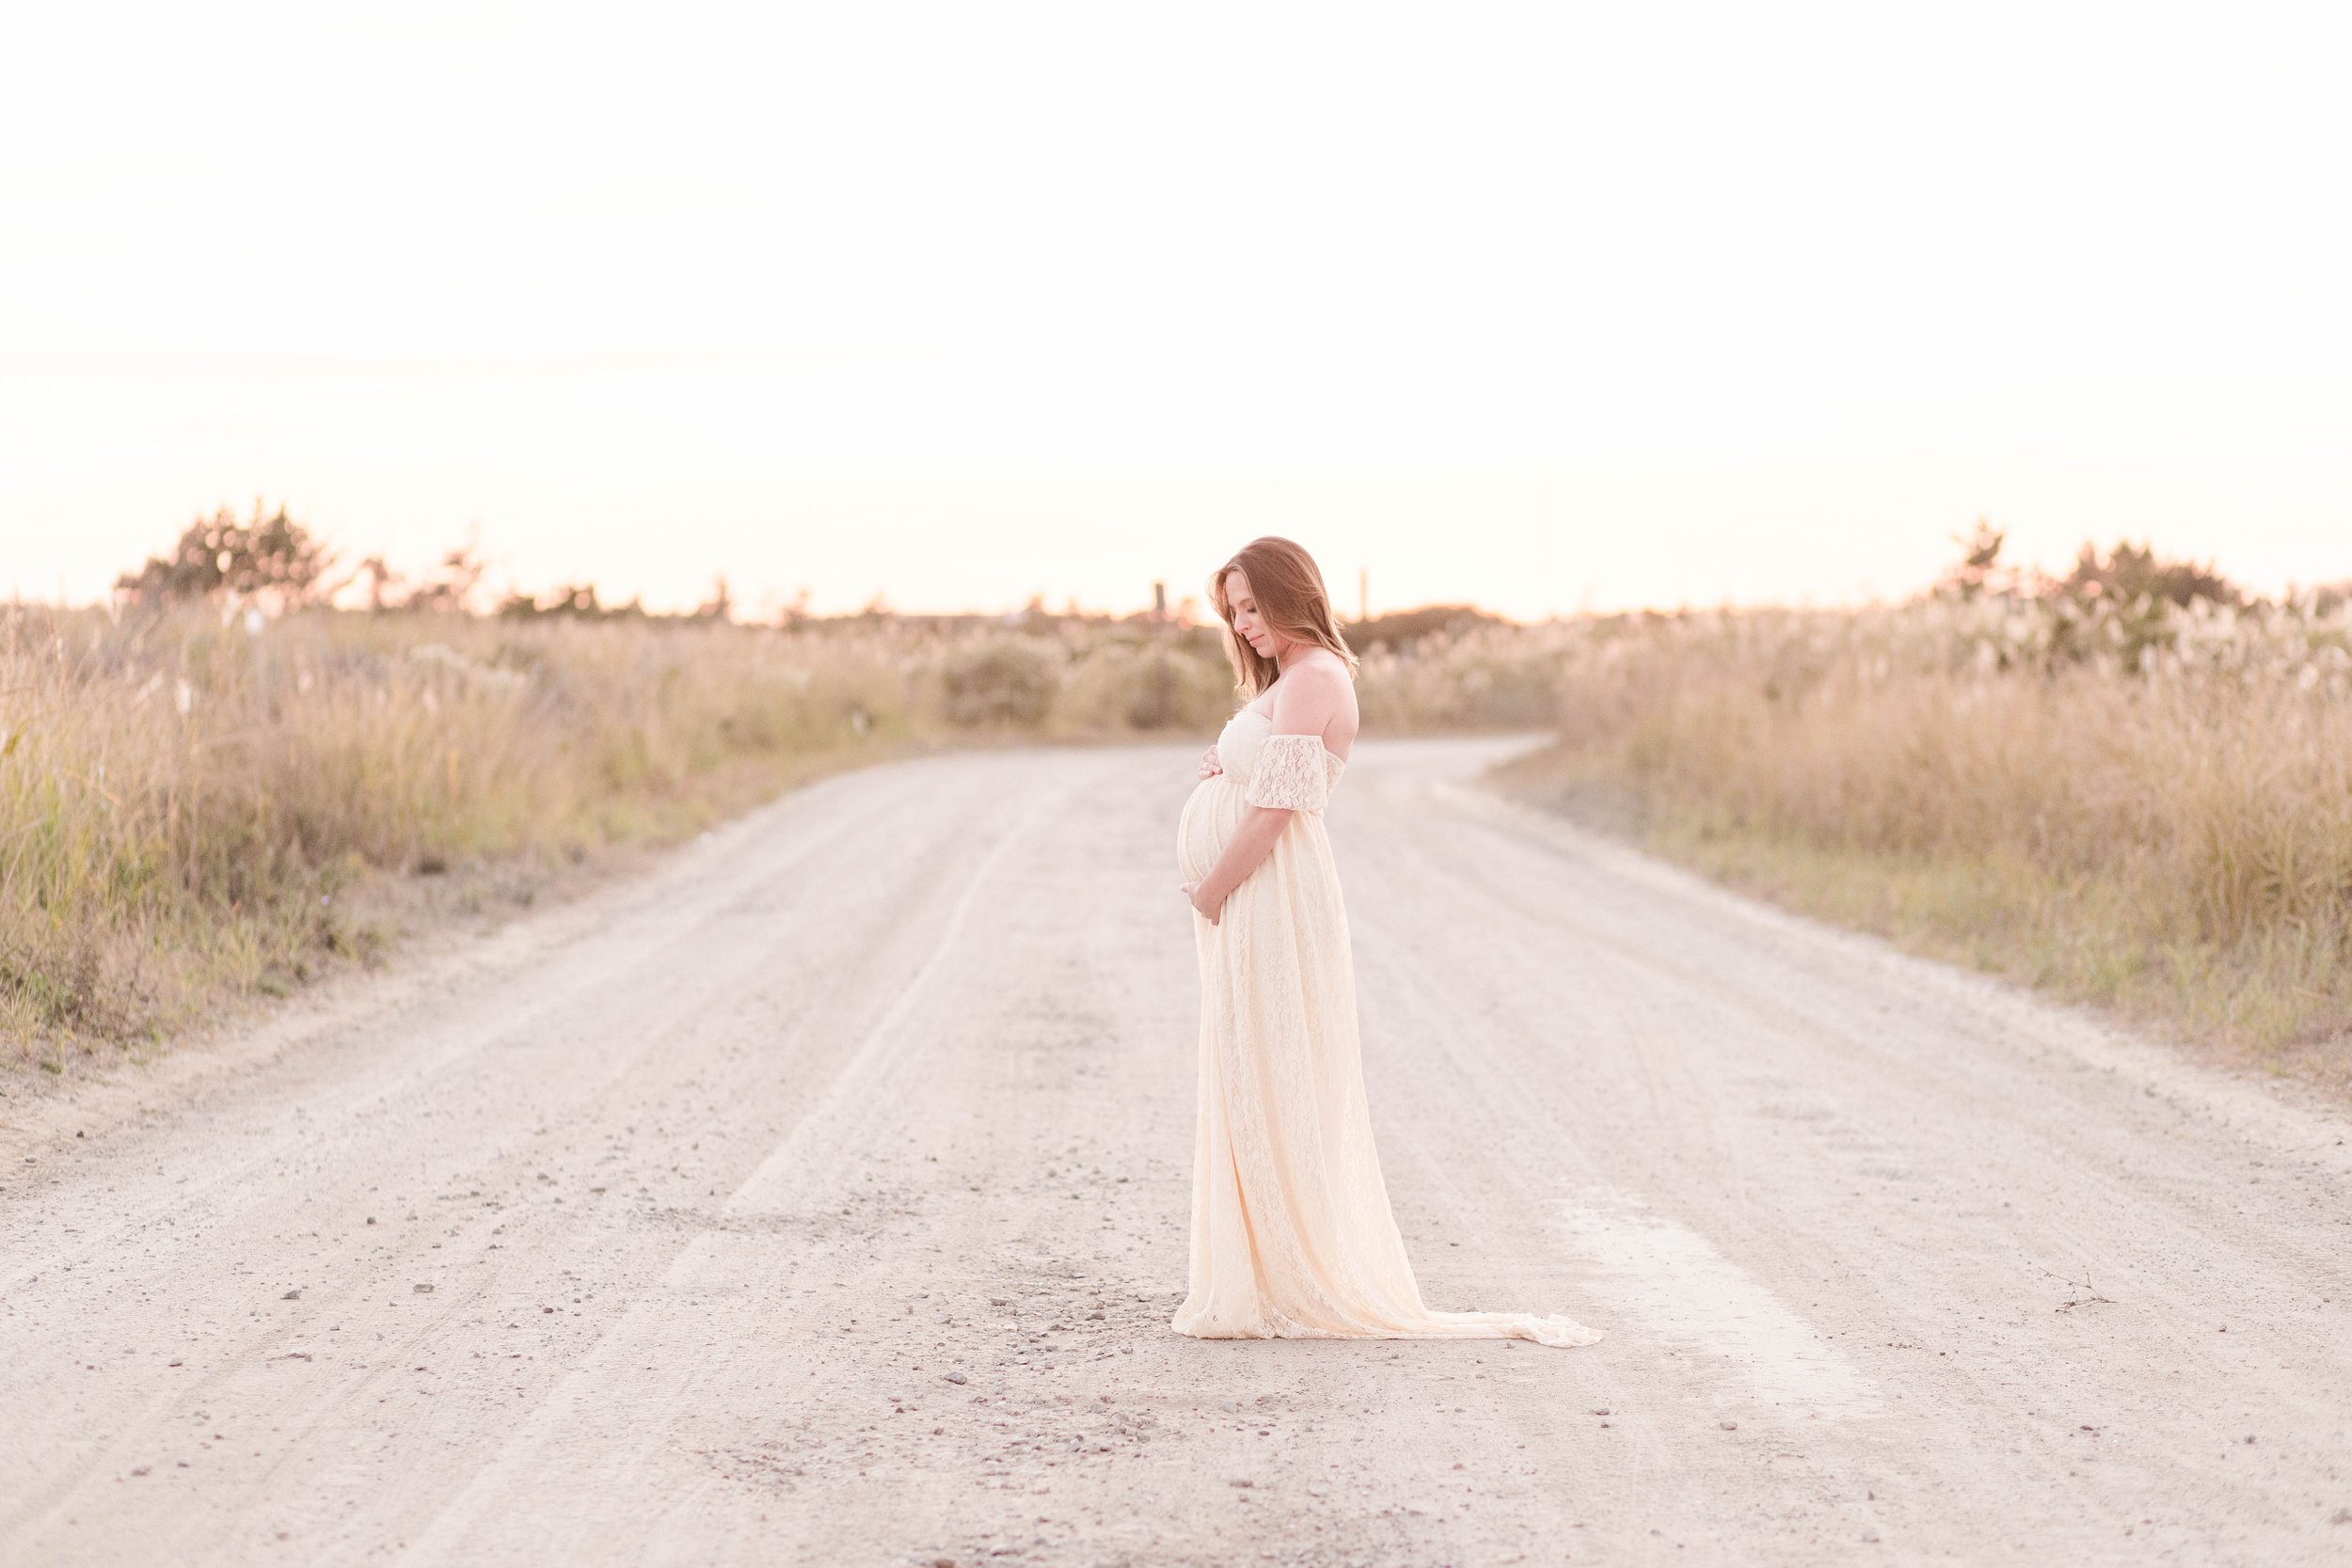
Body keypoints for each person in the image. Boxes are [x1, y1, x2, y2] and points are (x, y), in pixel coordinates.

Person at [1173, 536, 1601, 1347]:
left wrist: (1210, 890)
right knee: (1249, 1066)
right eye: (1233, 612)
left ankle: (1291, 1272)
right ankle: (1265, 1269)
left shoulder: (1319, 677)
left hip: (1270, 893)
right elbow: (1261, 783)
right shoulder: (1295, 680)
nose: (1244, 624)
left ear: (1292, 596)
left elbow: (1275, 814)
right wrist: (1225, 768)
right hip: (1257, 893)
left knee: (1271, 1065)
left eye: (1254, 607)